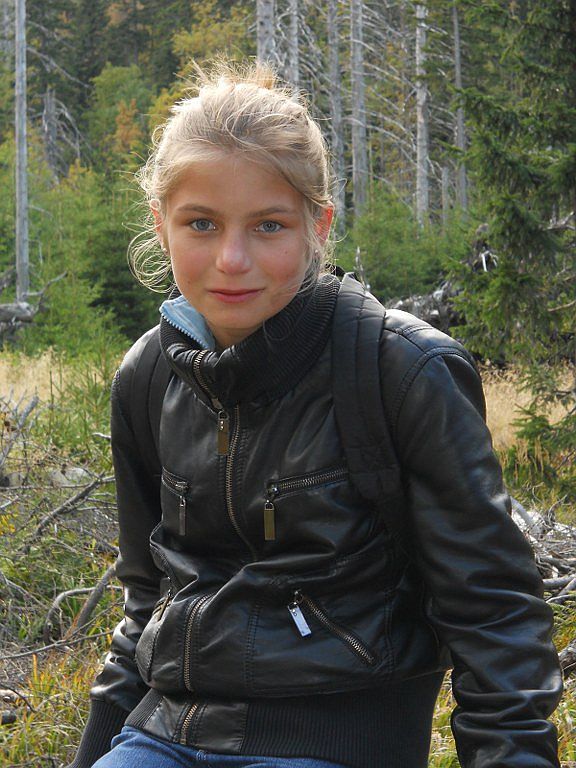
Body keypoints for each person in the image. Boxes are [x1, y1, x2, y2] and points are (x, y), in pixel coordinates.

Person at [67, 60, 562, 768]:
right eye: (201, 224)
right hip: (165, 735)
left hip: (338, 742)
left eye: (268, 225)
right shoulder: (149, 378)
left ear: (317, 225)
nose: (231, 258)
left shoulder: (401, 371)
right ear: (161, 226)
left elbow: (494, 609)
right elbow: (149, 600)